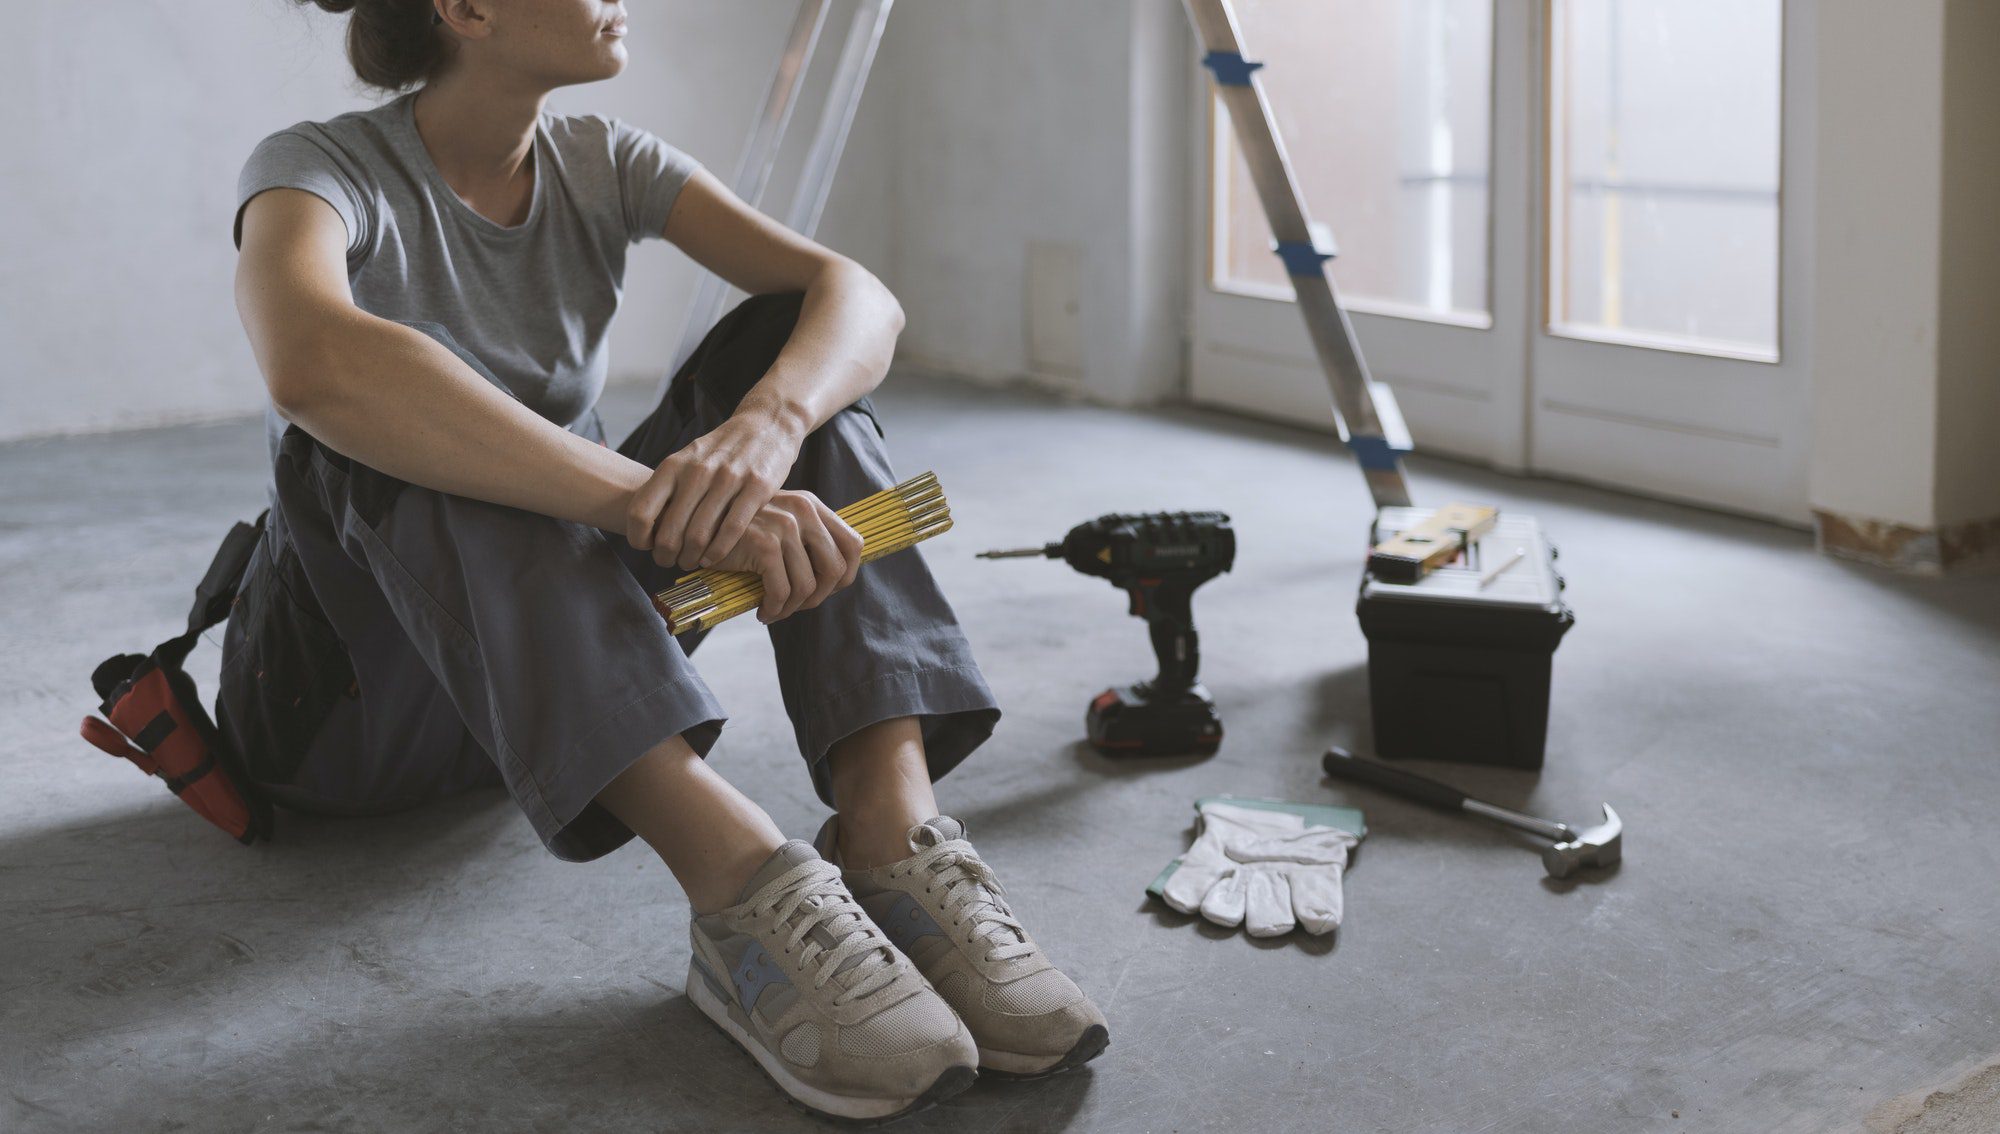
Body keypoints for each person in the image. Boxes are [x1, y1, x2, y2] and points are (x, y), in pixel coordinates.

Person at [225, 0, 1107, 1122]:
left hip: (539, 670)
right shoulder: (313, 169)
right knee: (401, 418)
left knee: (785, 349)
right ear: (468, 9)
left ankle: (893, 834)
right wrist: (643, 500)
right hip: (349, 710)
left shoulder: (603, 159)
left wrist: (766, 430)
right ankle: (740, 888)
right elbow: (309, 364)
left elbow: (855, 297)